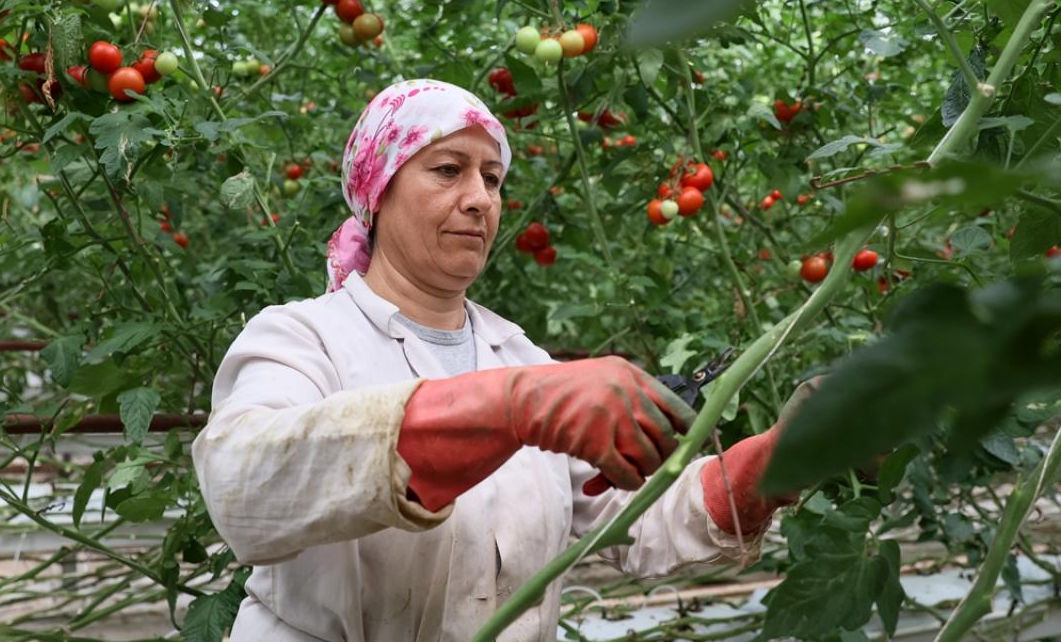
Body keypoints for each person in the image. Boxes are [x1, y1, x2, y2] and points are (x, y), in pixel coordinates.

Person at [191, 79, 813, 641]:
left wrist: (781, 459)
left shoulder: (519, 353)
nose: (479, 199)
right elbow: (245, 487)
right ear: (377, 192)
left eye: (491, 179)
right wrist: (511, 406)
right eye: (448, 169)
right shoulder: (301, 338)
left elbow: (635, 518)